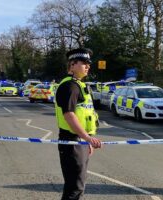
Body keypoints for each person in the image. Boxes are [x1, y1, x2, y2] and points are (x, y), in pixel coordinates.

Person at [55, 48, 102, 200]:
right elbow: (69, 115)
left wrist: (87, 139)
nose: (88, 66)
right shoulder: (70, 86)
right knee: (74, 188)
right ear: (72, 65)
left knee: (77, 186)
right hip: (71, 141)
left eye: (89, 63)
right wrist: (87, 139)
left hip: (79, 141)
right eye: (84, 63)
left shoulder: (79, 85)